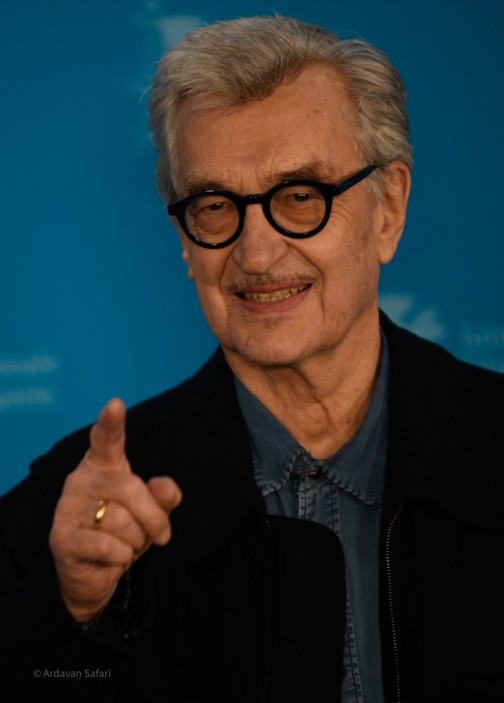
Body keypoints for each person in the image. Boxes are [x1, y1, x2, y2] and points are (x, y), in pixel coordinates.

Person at [1, 14, 503, 703]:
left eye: (300, 197)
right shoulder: (76, 510)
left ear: (388, 208)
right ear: (185, 240)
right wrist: (74, 611)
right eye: (214, 205)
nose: (257, 255)